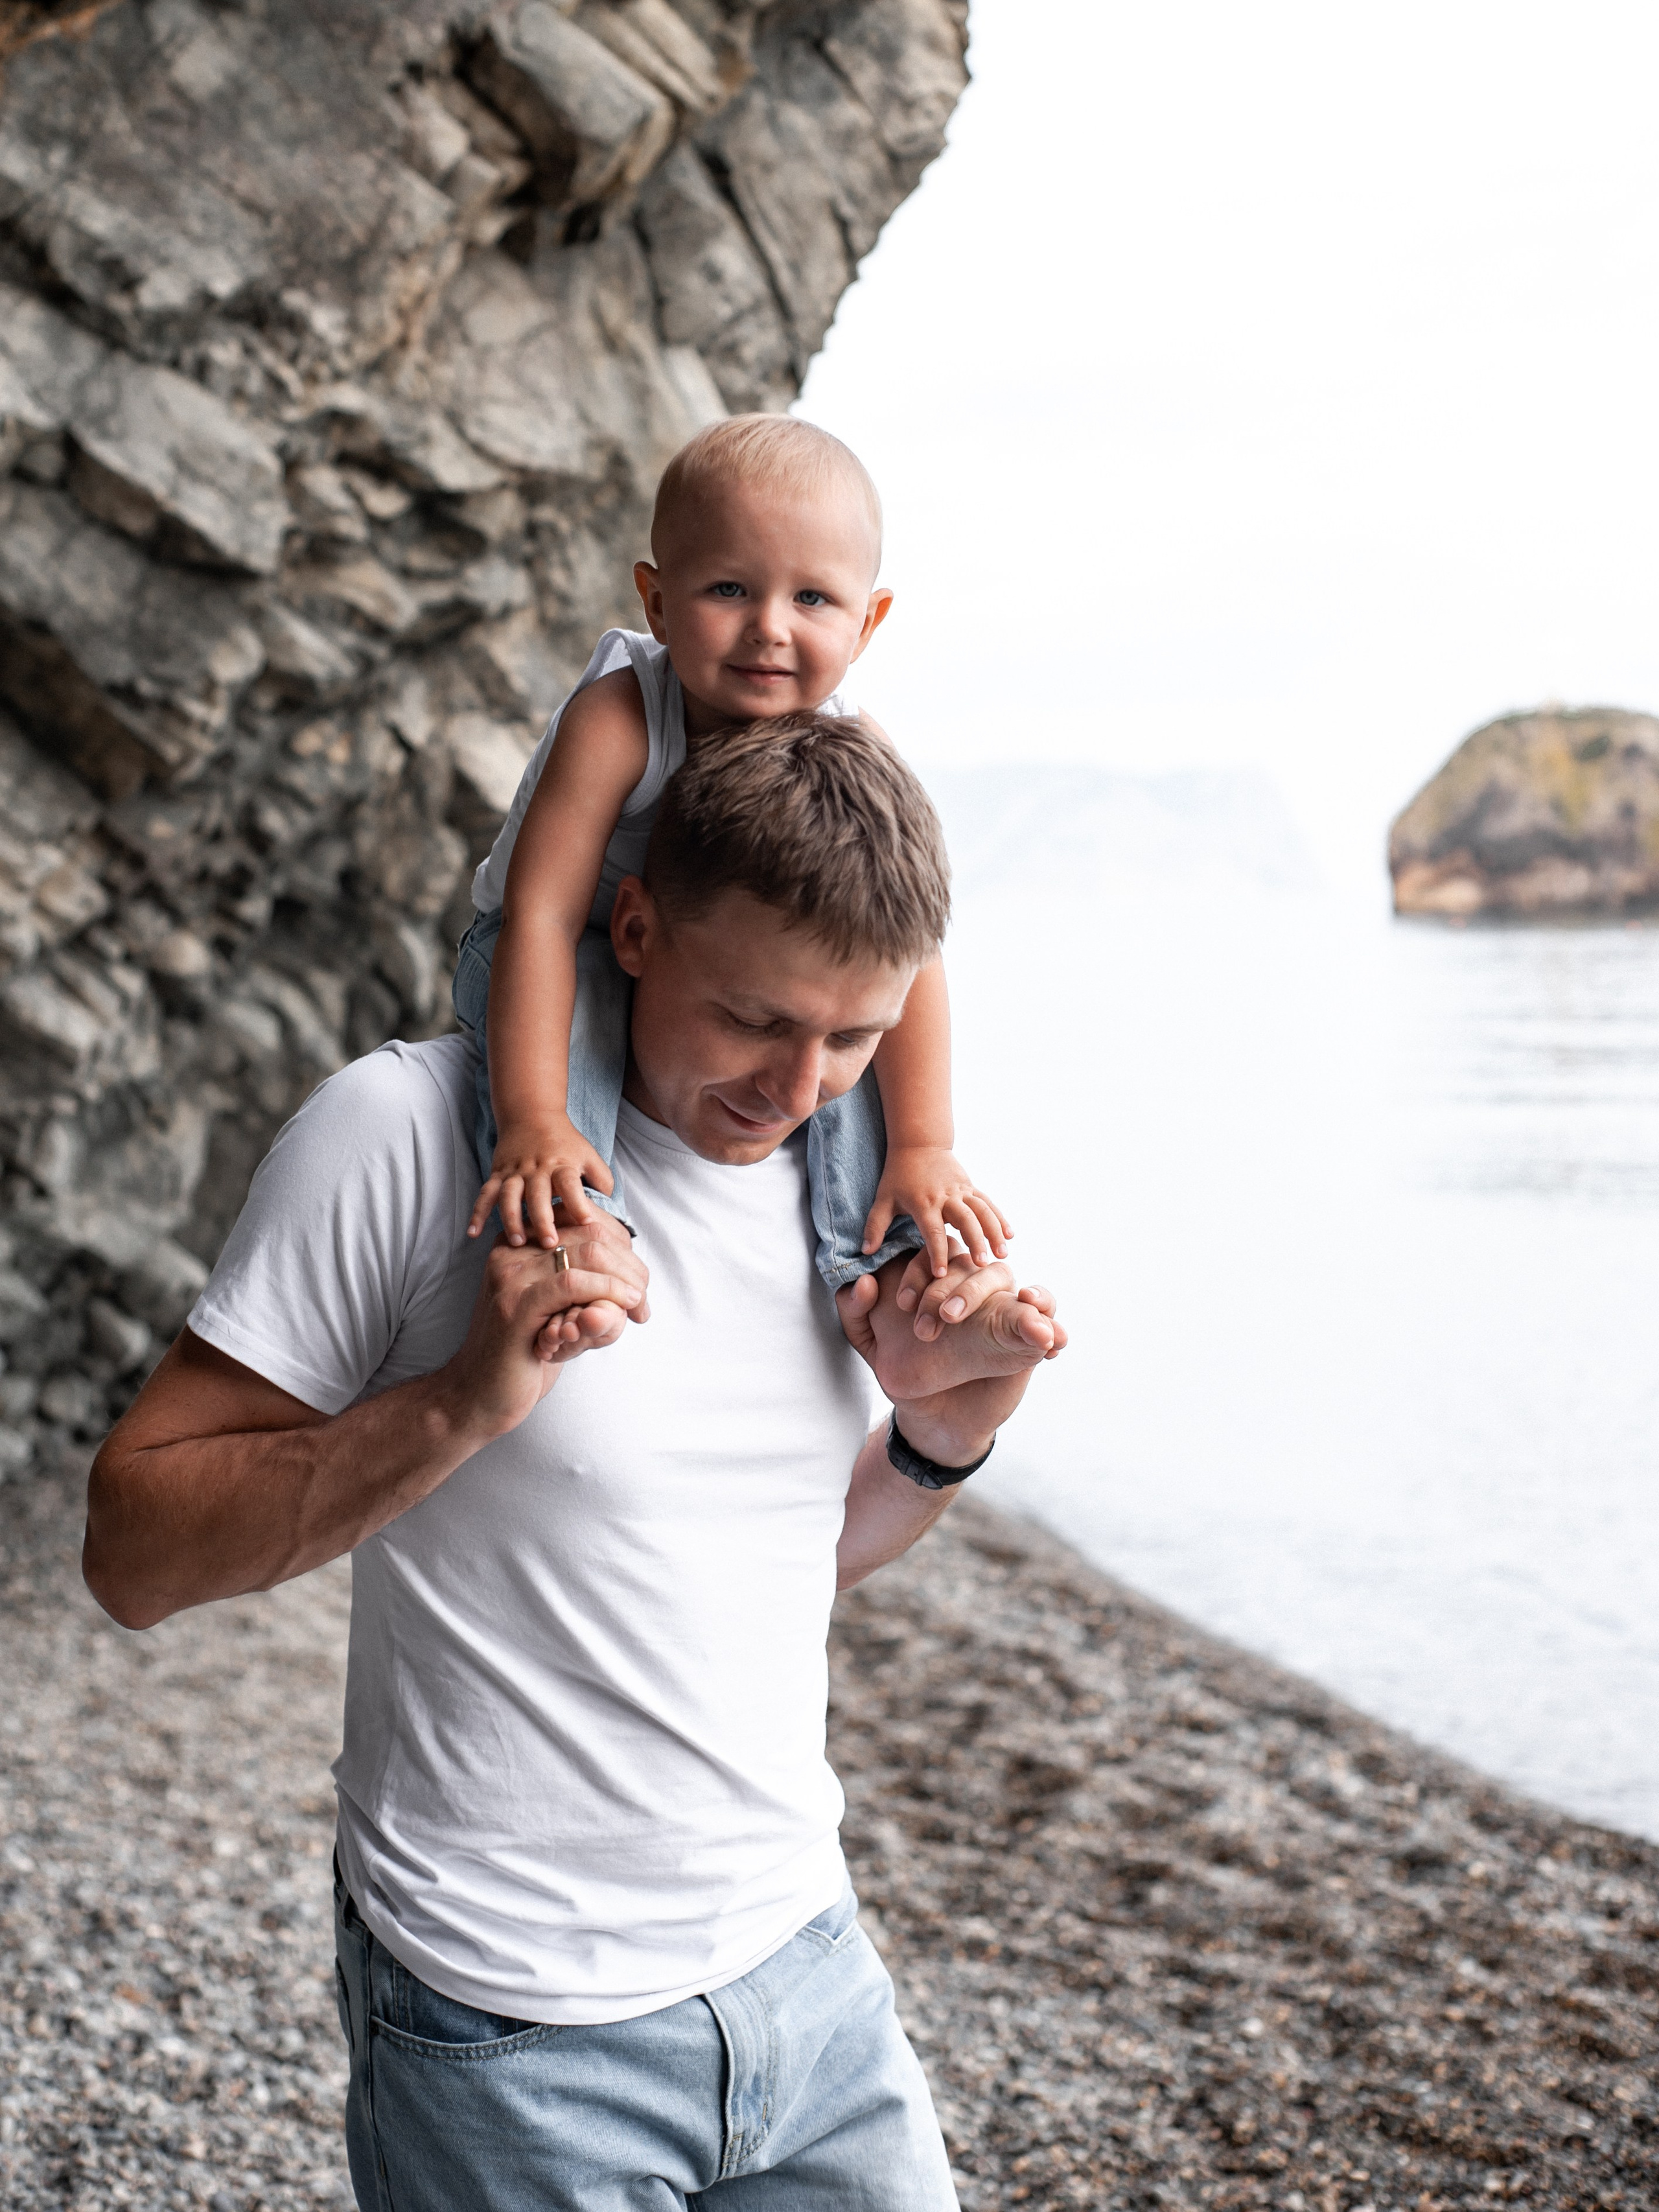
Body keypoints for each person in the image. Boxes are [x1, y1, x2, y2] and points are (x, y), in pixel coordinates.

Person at [84, 717, 1067, 2211]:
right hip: (508, 2025)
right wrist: (458, 1406)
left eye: (854, 1039)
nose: (799, 1088)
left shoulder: (849, 1182)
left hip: (806, 1977)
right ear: (630, 925)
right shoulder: (412, 1133)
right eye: (752, 1020)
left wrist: (944, 1433)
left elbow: (766, 1562)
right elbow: (130, 1553)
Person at [454, 412, 1010, 1294]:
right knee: (590, 1019)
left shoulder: (853, 745)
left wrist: (924, 1144)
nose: (769, 629)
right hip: (567, 946)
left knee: (826, 1037)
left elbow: (906, 957)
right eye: (728, 590)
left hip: (732, 969)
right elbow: (542, 915)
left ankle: (882, 1273)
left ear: (869, 623)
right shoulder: (620, 718)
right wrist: (532, 1116)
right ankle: (569, 1241)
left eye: (813, 599)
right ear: (658, 602)